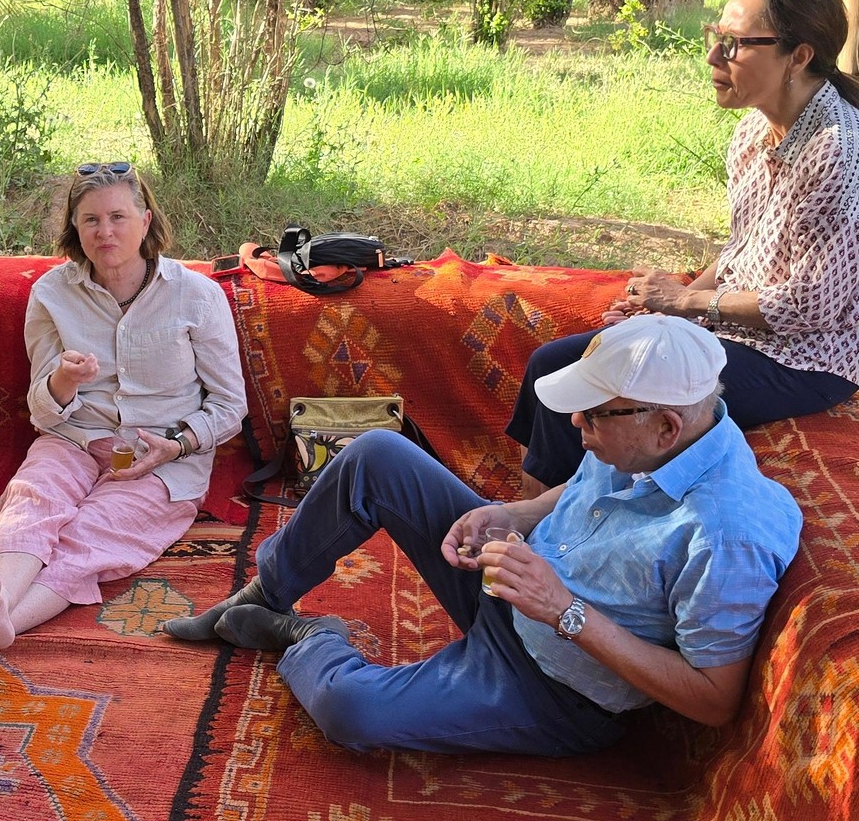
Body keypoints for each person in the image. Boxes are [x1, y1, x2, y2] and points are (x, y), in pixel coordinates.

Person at [164, 315, 801, 756]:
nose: (576, 424)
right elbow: (582, 489)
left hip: (554, 689)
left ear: (666, 426)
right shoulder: (649, 438)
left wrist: (564, 610)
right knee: (377, 454)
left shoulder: (727, 535)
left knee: (349, 711)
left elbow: (715, 700)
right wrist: (514, 515)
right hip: (514, 590)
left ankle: (311, 637)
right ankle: (265, 594)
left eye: (594, 415)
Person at [508, 0, 859, 497]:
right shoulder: (753, 130)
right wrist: (670, 309)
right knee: (550, 364)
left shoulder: (837, 152)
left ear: (799, 56)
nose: (714, 57)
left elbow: (810, 307)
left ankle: (542, 524)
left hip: (806, 359)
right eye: (716, 37)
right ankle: (532, 513)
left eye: (735, 44)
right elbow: (743, 249)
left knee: (615, 392)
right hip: (737, 331)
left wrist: (686, 304)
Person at [0, 163, 247, 676]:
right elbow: (42, 407)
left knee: (95, 532)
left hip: (161, 457)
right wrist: (64, 381)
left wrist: (178, 444)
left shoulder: (196, 295)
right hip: (74, 437)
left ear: (146, 221)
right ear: (75, 229)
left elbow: (231, 404)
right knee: (33, 501)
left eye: (118, 217)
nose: (105, 232)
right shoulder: (52, 293)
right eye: (91, 220)